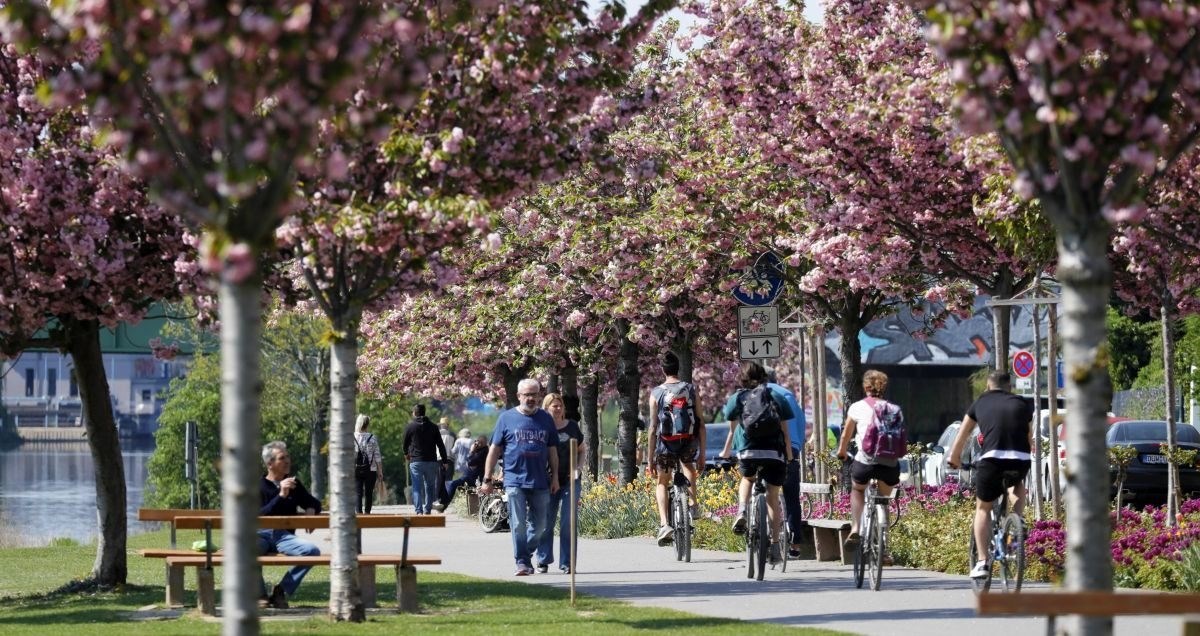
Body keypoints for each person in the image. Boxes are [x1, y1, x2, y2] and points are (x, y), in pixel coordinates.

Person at [948, 370, 1033, 579]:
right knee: (1017, 483)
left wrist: (954, 458)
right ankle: (1018, 520)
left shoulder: (979, 403)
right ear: (1009, 387)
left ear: (988, 386)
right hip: (1020, 459)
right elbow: (1029, 436)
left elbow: (964, 433)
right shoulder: (1022, 403)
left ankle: (982, 562)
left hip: (991, 460)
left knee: (983, 508)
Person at [479, 378, 560, 576]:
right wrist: (487, 478)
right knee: (517, 523)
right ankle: (522, 562)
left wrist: (555, 476)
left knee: (541, 525)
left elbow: (552, 451)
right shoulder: (506, 418)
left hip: (541, 480)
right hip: (514, 479)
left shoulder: (546, 419)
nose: (531, 398)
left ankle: (526, 553)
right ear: (519, 396)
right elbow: (494, 450)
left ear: (539, 395)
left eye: (534, 394)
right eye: (527, 395)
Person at [720, 361, 793, 565]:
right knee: (773, 495)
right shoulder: (776, 396)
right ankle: (776, 545)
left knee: (747, 477)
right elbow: (785, 432)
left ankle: (742, 510)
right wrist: (788, 456)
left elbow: (732, 428)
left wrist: (726, 451)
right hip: (773, 453)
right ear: (764, 377)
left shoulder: (737, 398)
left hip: (748, 451)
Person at [836, 369, 903, 558]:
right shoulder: (894, 409)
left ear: (865, 387)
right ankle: (884, 549)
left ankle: (856, 527)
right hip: (889, 463)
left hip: (865, 461)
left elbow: (846, 435)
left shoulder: (857, 407)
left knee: (857, 490)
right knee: (883, 500)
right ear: (884, 387)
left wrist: (841, 452)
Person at [647, 352, 705, 547]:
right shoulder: (690, 389)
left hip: (665, 443)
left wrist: (649, 458)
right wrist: (703, 453)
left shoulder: (656, 393)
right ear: (678, 368)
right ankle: (693, 505)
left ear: (663, 370)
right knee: (688, 465)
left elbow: (653, 428)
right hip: (687, 440)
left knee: (662, 482)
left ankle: (664, 524)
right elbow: (701, 423)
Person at [258, 441, 321, 609]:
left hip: (284, 536)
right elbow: (259, 515)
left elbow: (315, 502)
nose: (287, 461)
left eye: (288, 457)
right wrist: (281, 495)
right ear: (269, 464)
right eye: (282, 458)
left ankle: (281, 590)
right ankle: (259, 595)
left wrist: (311, 509)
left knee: (312, 552)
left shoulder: (294, 484)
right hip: (260, 535)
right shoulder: (258, 486)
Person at [536, 392, 585, 573]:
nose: (557, 409)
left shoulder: (571, 427)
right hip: (546, 482)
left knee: (567, 522)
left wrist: (578, 469)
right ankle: (543, 559)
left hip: (570, 481)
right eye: (553, 406)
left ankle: (567, 563)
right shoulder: (541, 428)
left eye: (559, 406)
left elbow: (582, 449)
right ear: (546, 408)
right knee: (546, 522)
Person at [764, 366, 806, 558]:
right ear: (775, 378)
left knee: (764, 491)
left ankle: (763, 533)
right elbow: (801, 423)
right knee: (791, 496)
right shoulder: (787, 395)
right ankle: (795, 544)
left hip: (765, 449)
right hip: (791, 450)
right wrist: (797, 446)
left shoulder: (755, 395)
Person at [403, 404, 448, 514]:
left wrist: (406, 454)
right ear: (424, 412)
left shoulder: (410, 427)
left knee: (417, 487)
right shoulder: (433, 427)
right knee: (430, 487)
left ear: (414, 413)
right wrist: (445, 461)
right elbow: (440, 445)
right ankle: (427, 509)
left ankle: (419, 511)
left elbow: (404, 443)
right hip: (431, 461)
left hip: (416, 461)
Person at [439, 435, 488, 509]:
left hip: (474, 479)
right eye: (476, 441)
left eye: (478, 442)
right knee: (449, 483)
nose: (476, 444)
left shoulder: (483, 451)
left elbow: (470, 462)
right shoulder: (480, 450)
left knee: (452, 484)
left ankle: (444, 504)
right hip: (469, 476)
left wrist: (471, 451)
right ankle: (444, 502)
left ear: (483, 443)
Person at [354, 414, 384, 514]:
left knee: (358, 493)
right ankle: (367, 513)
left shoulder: (353, 437)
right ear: (367, 424)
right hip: (371, 469)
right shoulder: (372, 438)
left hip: (356, 469)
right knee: (368, 493)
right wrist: (380, 471)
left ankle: (358, 512)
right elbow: (377, 456)